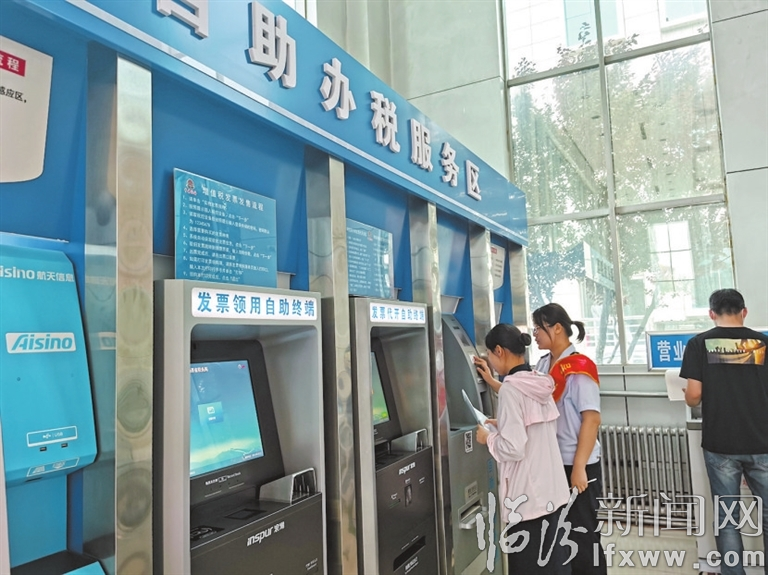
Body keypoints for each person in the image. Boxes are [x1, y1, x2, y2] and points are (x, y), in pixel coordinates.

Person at [681, 289, 768, 575]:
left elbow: (694, 395)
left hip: (721, 443)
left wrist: (688, 395)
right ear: (744, 312)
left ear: (711, 314)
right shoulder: (763, 343)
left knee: (728, 518)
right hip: (763, 441)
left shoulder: (698, 344)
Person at [474, 324, 572, 574]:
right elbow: (533, 428)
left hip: (527, 500)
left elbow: (513, 448)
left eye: (490, 355)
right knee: (553, 561)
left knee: (529, 565)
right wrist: (503, 424)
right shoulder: (539, 381)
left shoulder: (511, 389)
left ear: (499, 351)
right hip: (552, 492)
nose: (491, 361)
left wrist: (488, 438)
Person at [532, 303, 606, 575]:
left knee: (583, 536)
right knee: (562, 537)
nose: (535, 334)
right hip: (554, 463)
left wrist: (579, 468)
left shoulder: (579, 368)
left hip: (578, 466)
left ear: (557, 328)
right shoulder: (543, 364)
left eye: (538, 328)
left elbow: (592, 419)